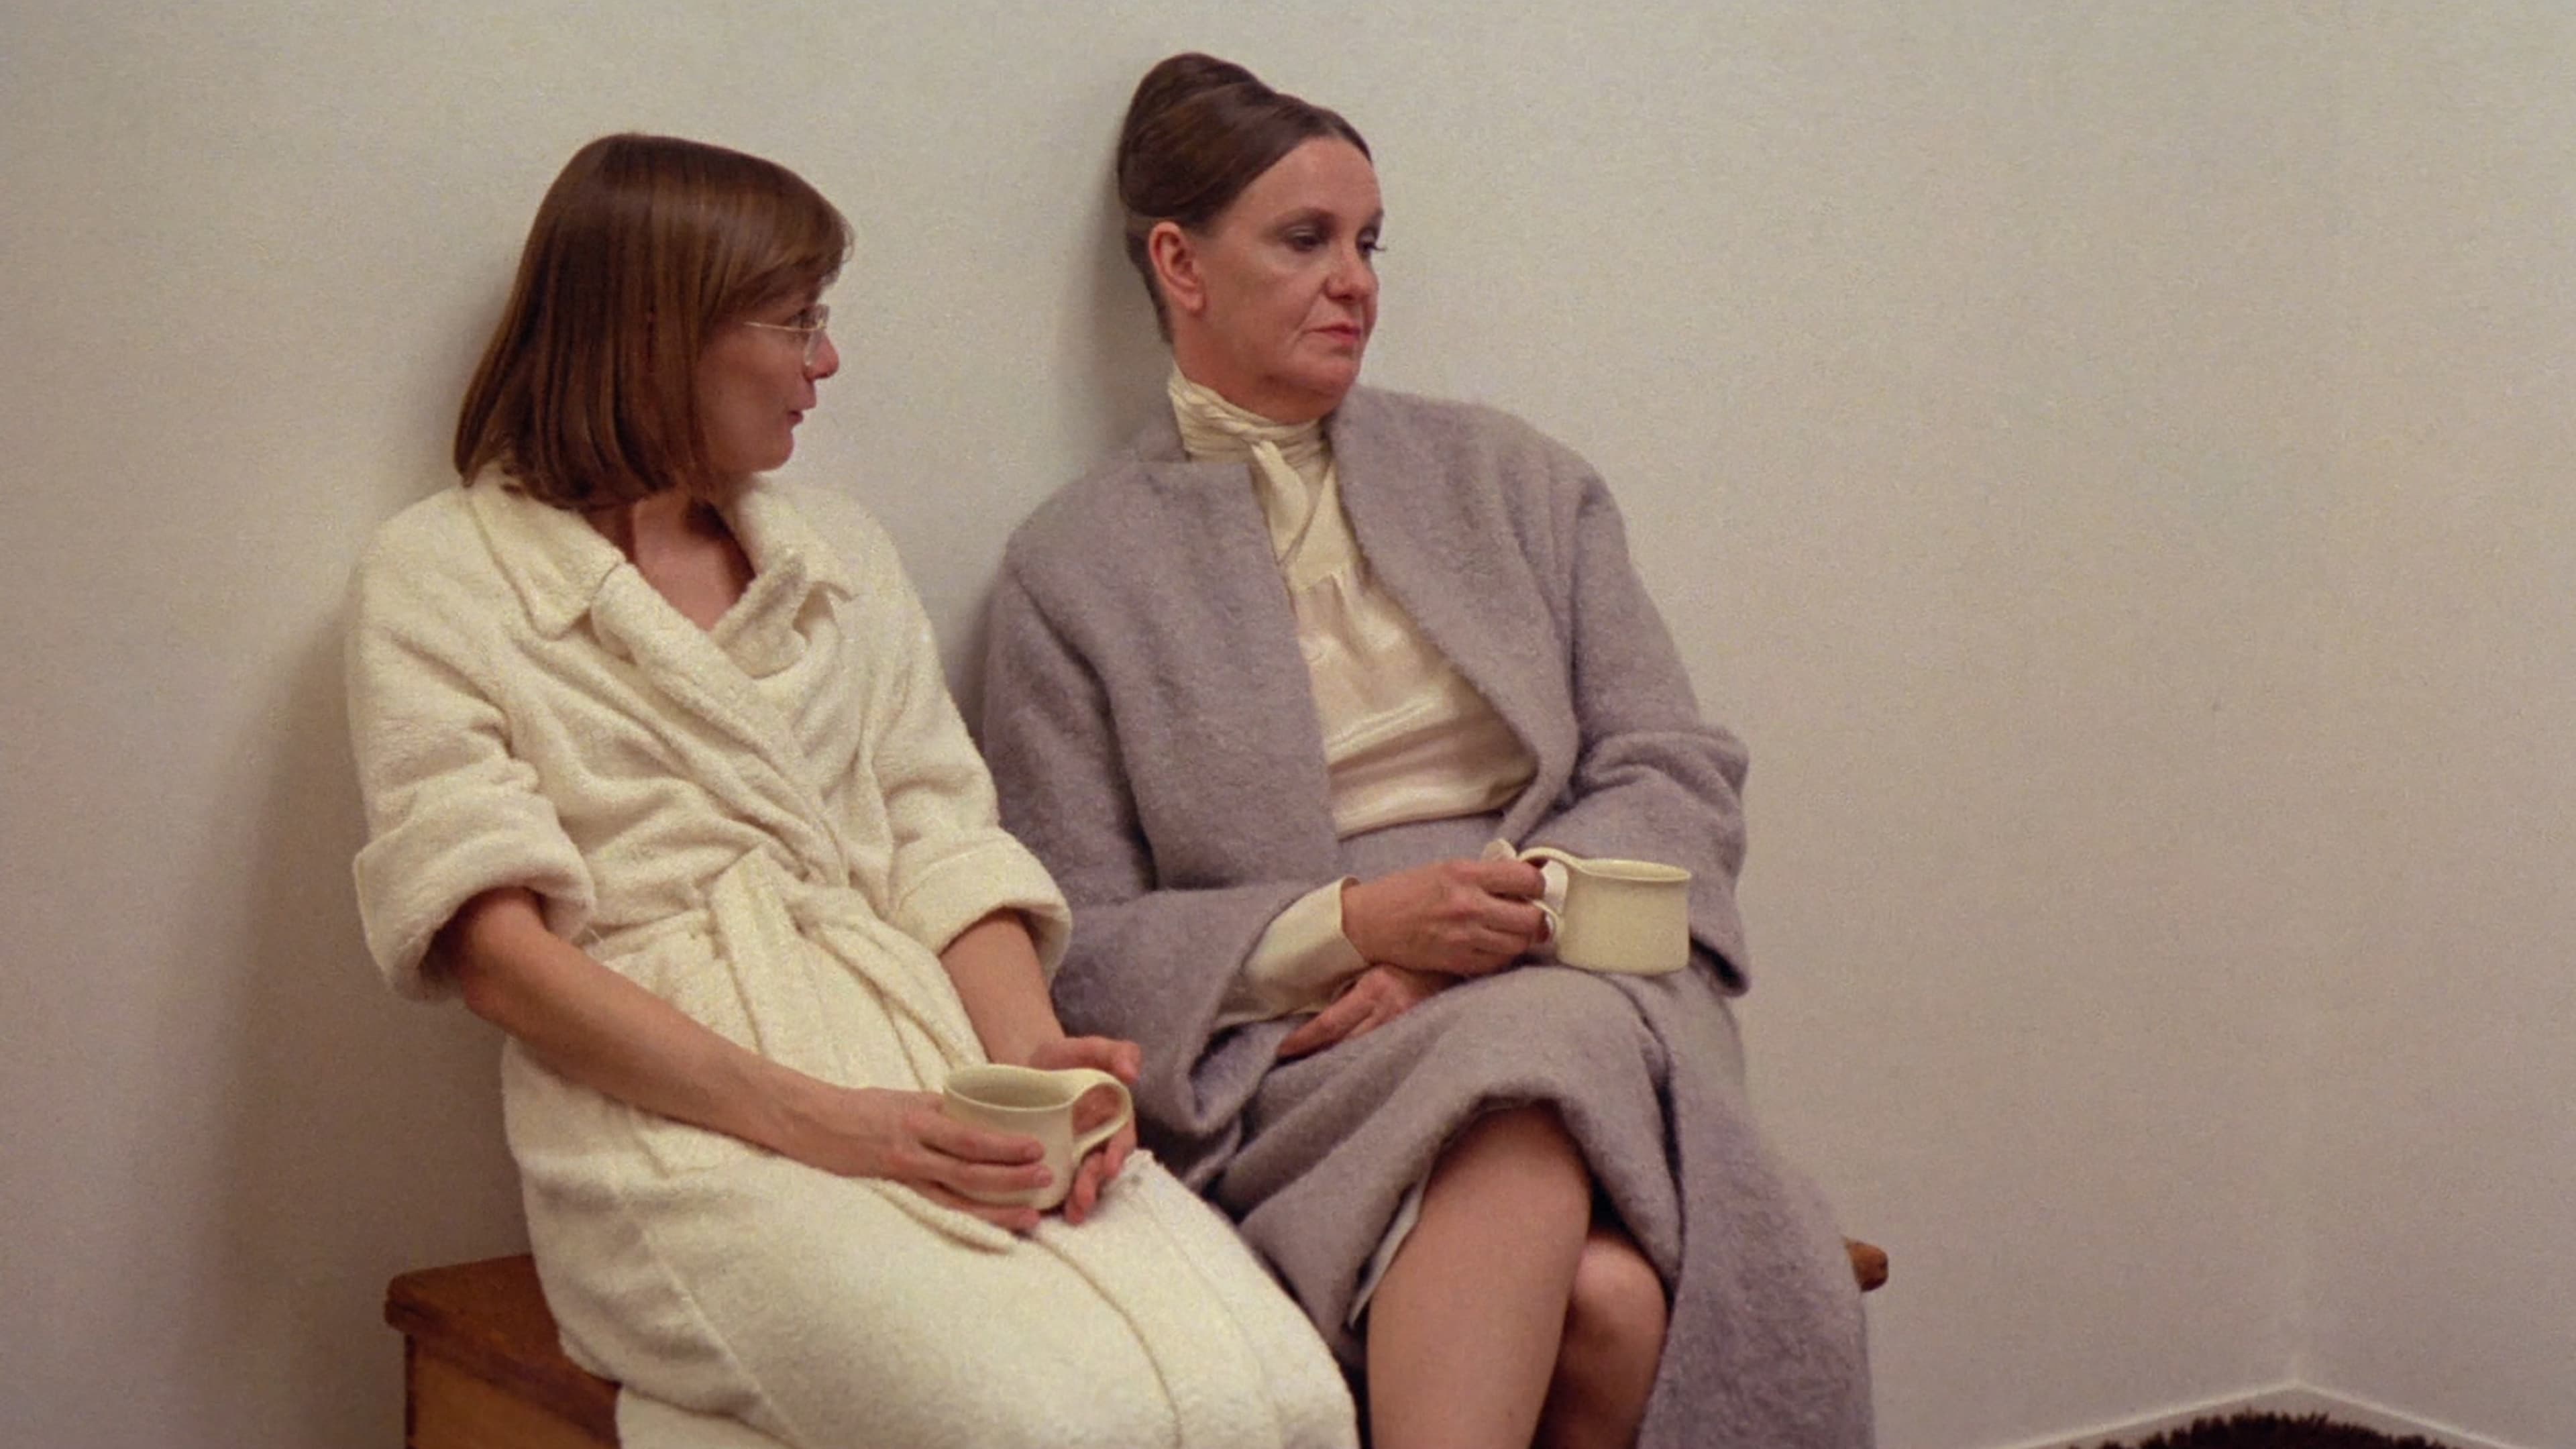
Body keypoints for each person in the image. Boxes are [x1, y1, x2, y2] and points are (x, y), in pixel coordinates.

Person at [345, 133, 1354, 1449]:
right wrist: (839, 1129)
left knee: (1284, 1397)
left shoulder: (836, 556)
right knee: (1044, 1427)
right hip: (670, 1125)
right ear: (662, 332)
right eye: (797, 323)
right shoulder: (447, 578)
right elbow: (498, 959)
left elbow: (942, 839)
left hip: (920, 1051)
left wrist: (1029, 1061)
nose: (825, 363)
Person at [981, 56, 1874, 1449]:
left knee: (1540, 1040)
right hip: (1299, 1051)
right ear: (1179, 264)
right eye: (1305, 240)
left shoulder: (1517, 482)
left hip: (1577, 974)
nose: (1355, 281)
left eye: (1369, 242)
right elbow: (1075, 936)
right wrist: (1355, 930)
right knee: (1608, 1309)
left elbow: (1672, 766)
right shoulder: (1074, 570)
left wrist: (1491, 933)